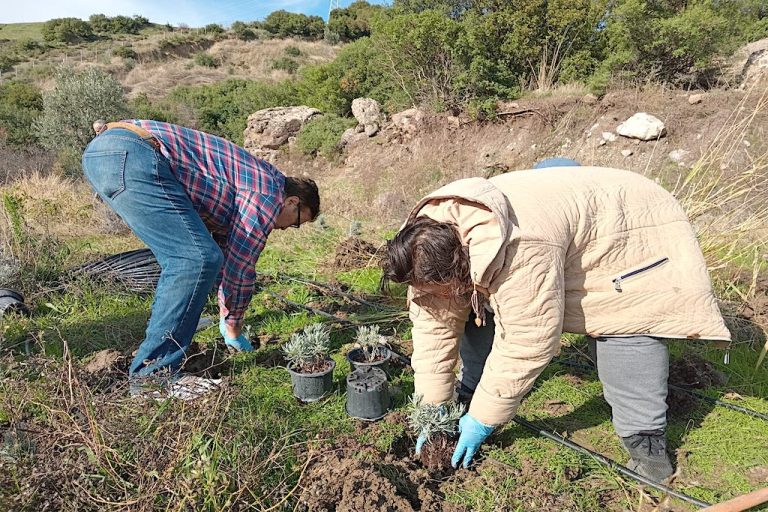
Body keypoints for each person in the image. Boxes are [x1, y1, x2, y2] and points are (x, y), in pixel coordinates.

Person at [381, 162, 730, 482]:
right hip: (565, 221)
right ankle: (471, 393)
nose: (432, 294)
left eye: (439, 287)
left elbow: (528, 340)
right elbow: (434, 329)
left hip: (632, 229)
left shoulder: (521, 247)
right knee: (473, 308)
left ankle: (647, 450)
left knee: (625, 331)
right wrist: (433, 407)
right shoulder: (423, 242)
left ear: (458, 265)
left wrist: (484, 419)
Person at [82, 120, 320, 398]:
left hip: (106, 155)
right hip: (134, 154)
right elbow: (241, 265)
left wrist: (217, 310)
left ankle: (177, 330)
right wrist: (232, 325)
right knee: (194, 259)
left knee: (196, 254)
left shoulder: (256, 180)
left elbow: (223, 250)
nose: (286, 228)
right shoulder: (268, 192)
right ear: (292, 202)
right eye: (297, 222)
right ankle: (153, 378)